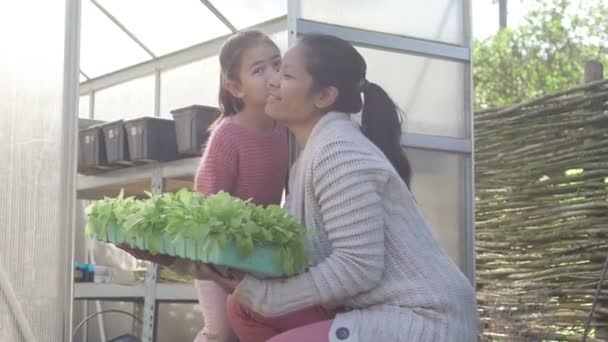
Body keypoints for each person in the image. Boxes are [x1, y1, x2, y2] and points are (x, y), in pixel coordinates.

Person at [198, 34, 478, 342]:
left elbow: (358, 267)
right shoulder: (310, 154)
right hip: (372, 308)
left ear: (324, 96)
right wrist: (214, 268)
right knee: (243, 307)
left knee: (263, 312)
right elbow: (301, 254)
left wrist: (272, 297)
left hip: (423, 318)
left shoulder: (338, 152)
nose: (273, 82)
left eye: (285, 73)